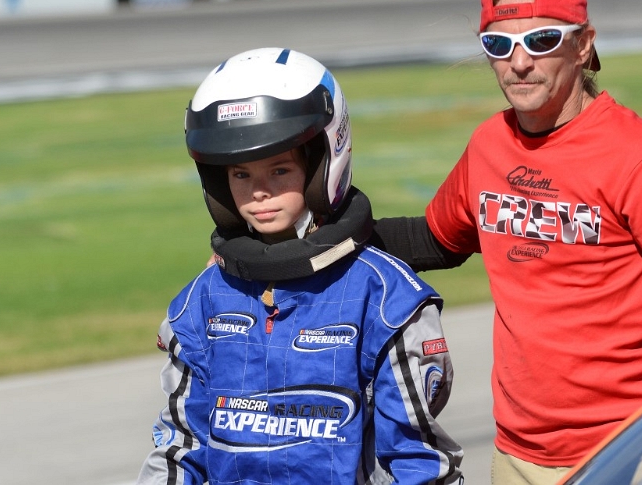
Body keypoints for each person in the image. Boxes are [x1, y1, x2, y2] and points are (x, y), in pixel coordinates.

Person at [367, 0, 642, 485]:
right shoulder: (489, 144)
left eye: (542, 40)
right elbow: (435, 240)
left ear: (583, 44)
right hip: (516, 456)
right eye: (499, 44)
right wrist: (320, 230)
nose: (519, 63)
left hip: (631, 451)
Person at [136, 47, 463, 485]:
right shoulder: (201, 301)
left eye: (279, 170)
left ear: (320, 166)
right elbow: (179, 448)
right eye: (240, 174)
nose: (259, 192)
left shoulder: (387, 301)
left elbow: (418, 464)